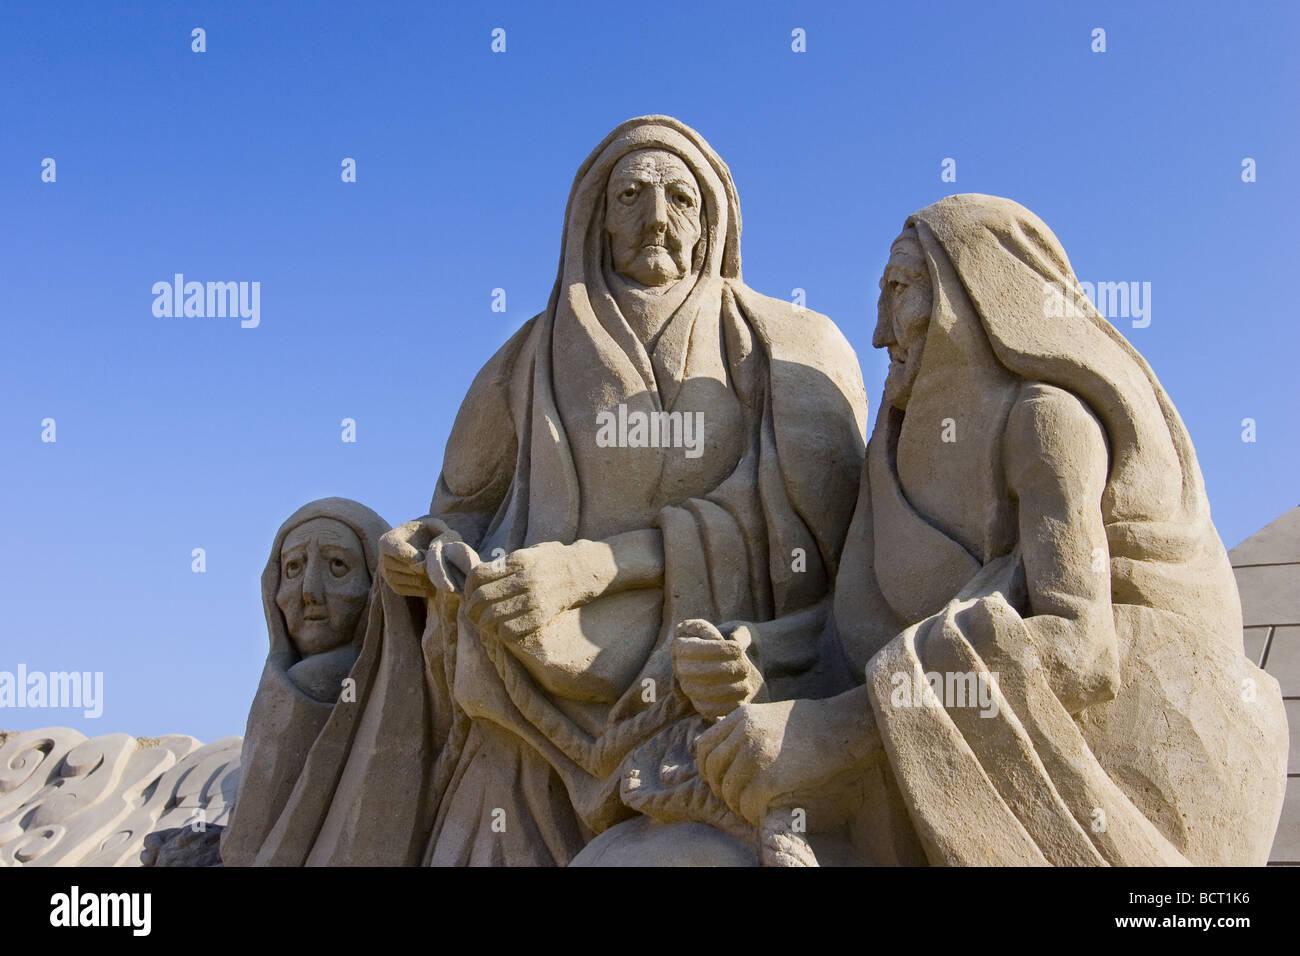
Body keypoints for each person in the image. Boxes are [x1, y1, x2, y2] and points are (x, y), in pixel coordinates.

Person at [685, 194, 1288, 866]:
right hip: (917, 755)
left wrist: (832, 731)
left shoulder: (1047, 421)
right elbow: (855, 634)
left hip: (1108, 778)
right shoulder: (893, 452)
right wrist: (760, 657)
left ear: (974, 296)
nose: (882, 331)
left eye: (901, 291)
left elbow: (1080, 654)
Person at [379, 116, 869, 865]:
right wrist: (427, 551)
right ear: (595, 218)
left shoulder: (783, 346)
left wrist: (588, 569)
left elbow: (817, 532)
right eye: (631, 195)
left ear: (710, 226)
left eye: (680, 199)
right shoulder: (523, 362)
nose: (655, 218)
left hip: (713, 685)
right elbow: (460, 515)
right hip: (527, 702)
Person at [222, 497, 438, 866]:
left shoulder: (314, 679)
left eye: (337, 565)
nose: (310, 590)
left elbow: (243, 847)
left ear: (375, 585)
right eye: (293, 568)